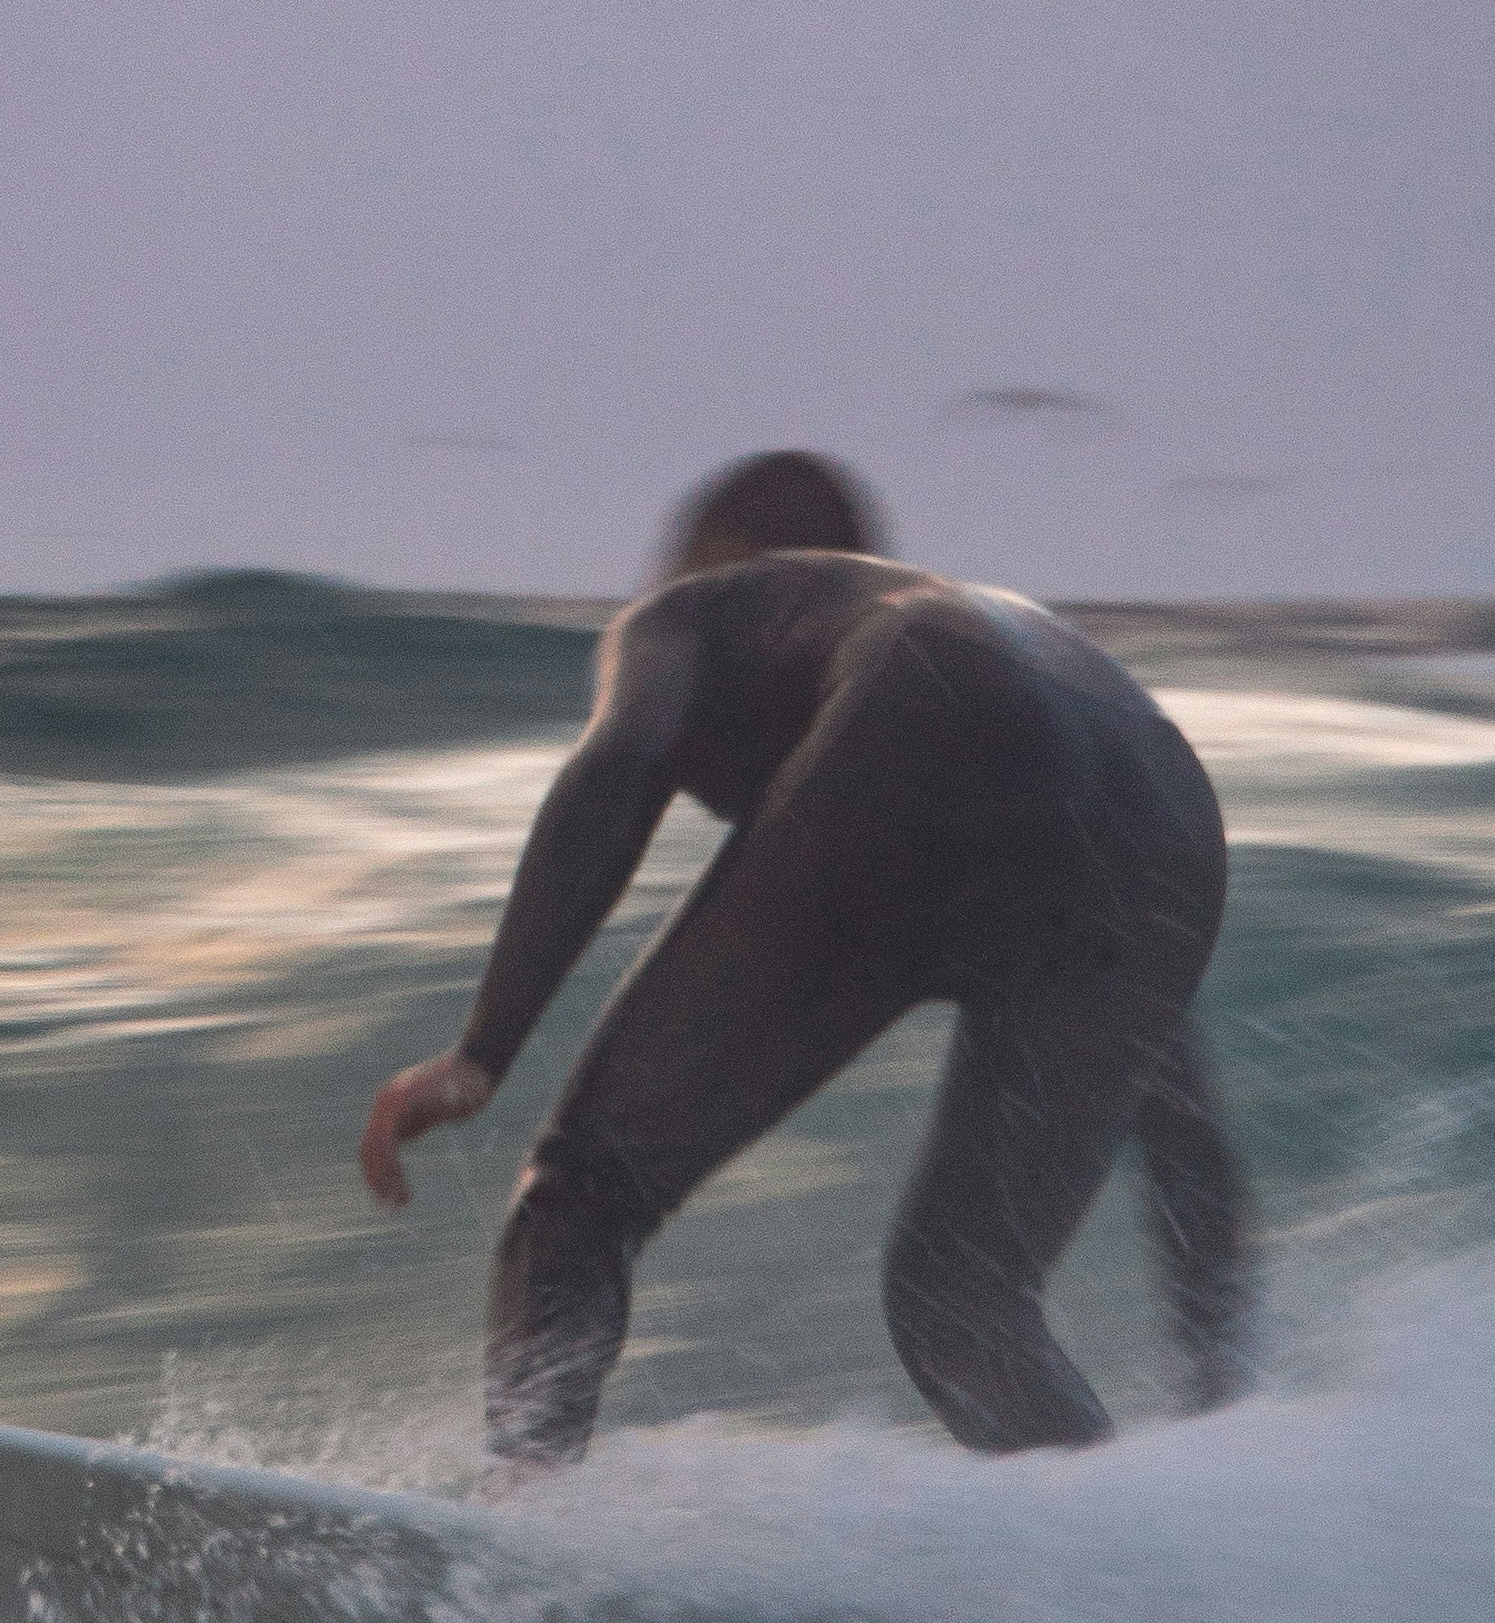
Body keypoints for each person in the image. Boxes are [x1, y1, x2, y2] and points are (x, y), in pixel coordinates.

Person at [360, 449, 1253, 1468]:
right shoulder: (949, 631)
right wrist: (1222, 1401)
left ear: (710, 559)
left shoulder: (693, 609)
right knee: (963, 1304)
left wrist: (484, 1049)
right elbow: (1185, 1123)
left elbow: (622, 763)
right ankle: (1145, 1561)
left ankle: (516, 1543)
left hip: (935, 717)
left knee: (581, 1192)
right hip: (1170, 798)